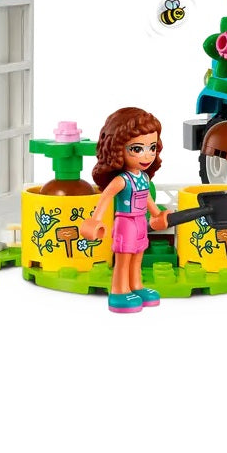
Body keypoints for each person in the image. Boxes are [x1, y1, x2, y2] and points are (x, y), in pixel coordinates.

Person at [80, 107, 171, 314]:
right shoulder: (122, 180)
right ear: (118, 149)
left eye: (152, 147)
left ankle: (136, 286)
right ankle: (119, 291)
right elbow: (106, 197)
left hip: (140, 222)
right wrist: (95, 220)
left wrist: (156, 214)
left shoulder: (143, 178)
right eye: (137, 149)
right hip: (126, 222)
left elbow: (146, 198)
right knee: (124, 258)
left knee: (138, 255)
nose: (147, 155)